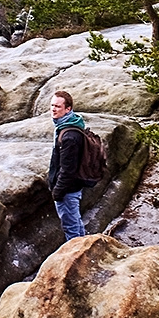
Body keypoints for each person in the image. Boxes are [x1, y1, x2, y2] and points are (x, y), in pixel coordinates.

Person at [48, 91, 95, 240]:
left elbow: (68, 169)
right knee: (75, 222)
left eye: (58, 106)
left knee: (71, 227)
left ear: (68, 109)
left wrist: (58, 191)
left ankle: (78, 259)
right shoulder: (71, 125)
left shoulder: (69, 136)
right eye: (52, 105)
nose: (53, 109)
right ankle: (84, 249)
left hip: (68, 190)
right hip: (73, 187)